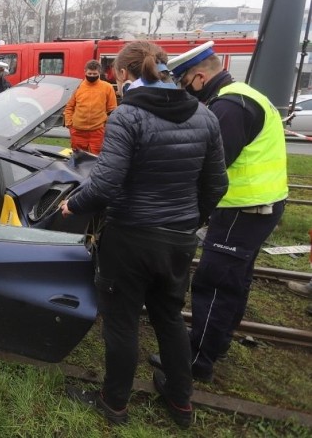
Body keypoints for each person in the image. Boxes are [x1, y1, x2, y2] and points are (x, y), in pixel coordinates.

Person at [60, 41, 228, 428]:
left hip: (131, 238)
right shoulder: (205, 116)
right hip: (178, 239)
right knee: (169, 317)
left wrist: (74, 205)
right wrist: (189, 220)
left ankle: (114, 402)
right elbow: (217, 185)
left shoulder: (127, 116)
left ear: (121, 74)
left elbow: (104, 184)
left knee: (122, 322)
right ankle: (180, 401)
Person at [156, 41, 289, 383]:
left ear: (200, 77)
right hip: (259, 205)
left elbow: (210, 167)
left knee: (214, 282)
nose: (184, 89)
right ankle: (218, 341)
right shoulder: (243, 95)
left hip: (242, 209)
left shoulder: (229, 108)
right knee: (236, 278)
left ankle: (196, 359)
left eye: (184, 81)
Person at [63, 60, 118, 154]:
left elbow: (112, 110)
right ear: (85, 72)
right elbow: (69, 107)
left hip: (97, 131)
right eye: (90, 73)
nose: (92, 76)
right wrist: (69, 124)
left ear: (99, 72)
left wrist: (106, 127)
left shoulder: (107, 87)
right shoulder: (77, 87)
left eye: (94, 73)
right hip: (77, 131)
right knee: (78, 160)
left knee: (96, 159)